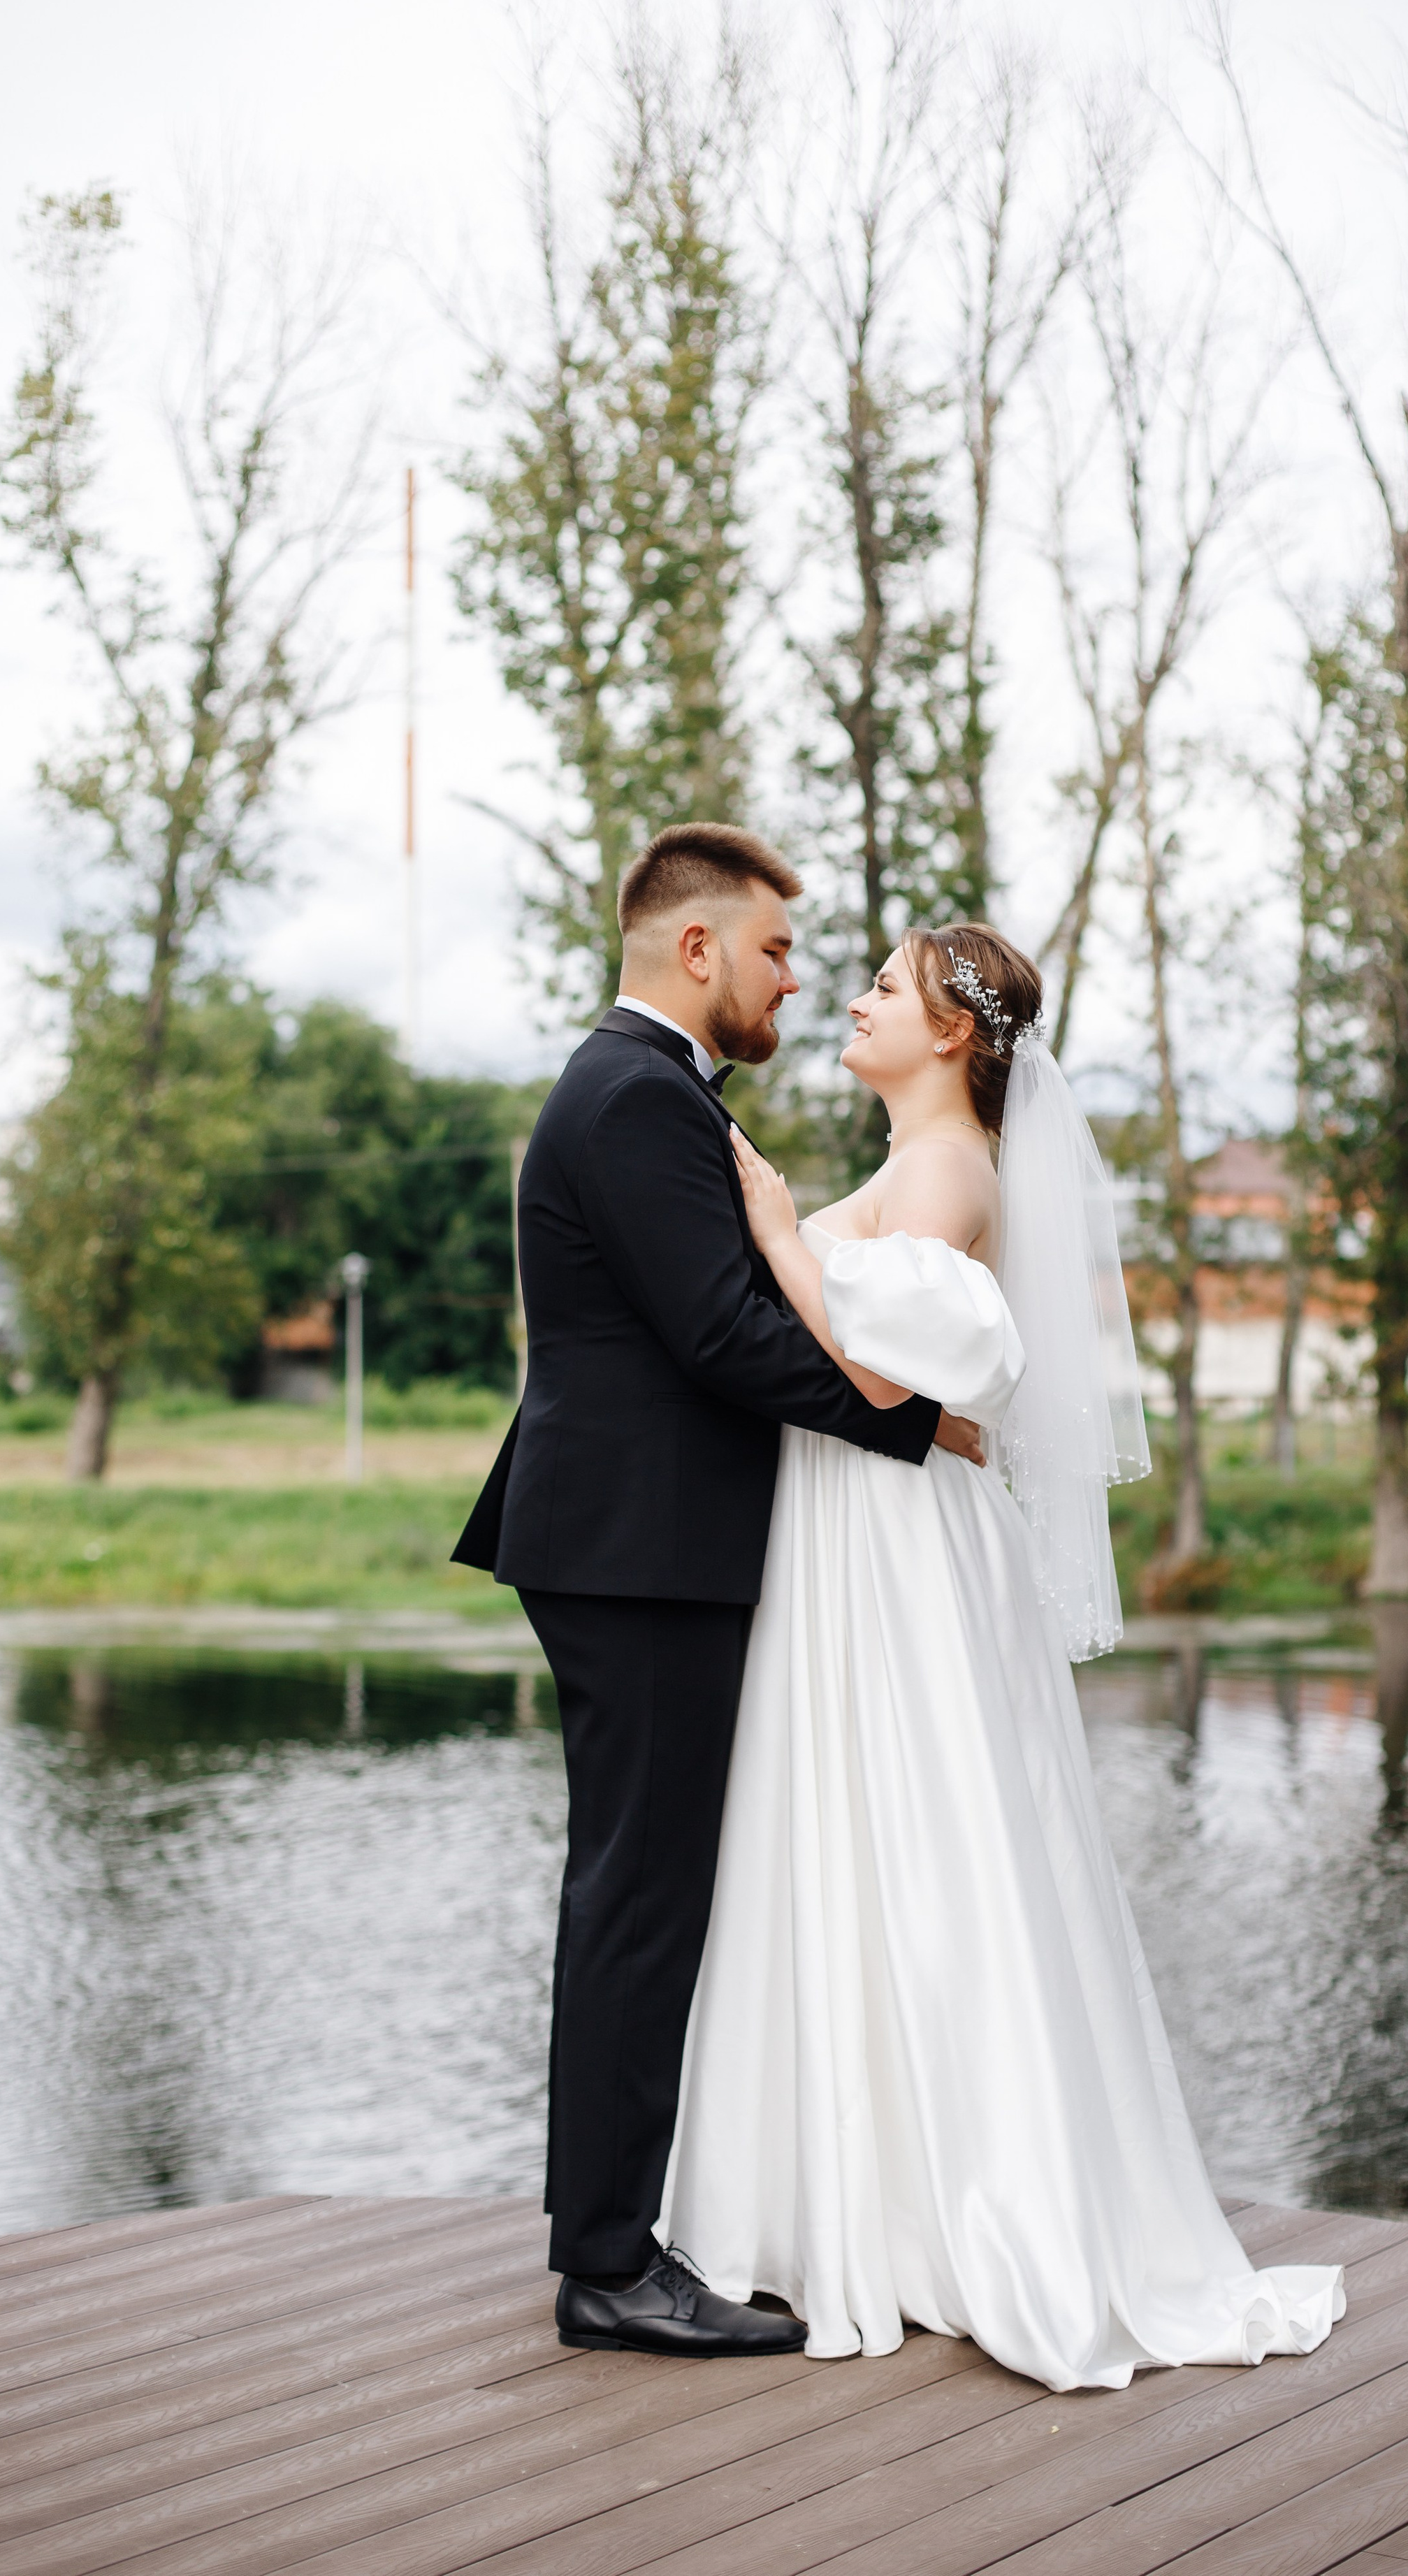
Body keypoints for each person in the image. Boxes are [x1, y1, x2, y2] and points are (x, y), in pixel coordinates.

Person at [659, 923, 1346, 2392]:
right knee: (866, 1844)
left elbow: (878, 1378)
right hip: (862, 1527)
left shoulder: (949, 1170)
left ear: (954, 1033)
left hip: (898, 1540)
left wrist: (778, 1237)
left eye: (885, 989)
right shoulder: (925, 1163)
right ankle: (867, 2194)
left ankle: (952, 2207)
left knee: (926, 1847)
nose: (853, 1001)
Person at [453, 823, 983, 2360]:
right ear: (697, 950)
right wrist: (914, 1427)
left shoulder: (649, 1090)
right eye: (774, 951)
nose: (794, 981)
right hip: (636, 1550)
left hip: (640, 1544)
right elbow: (721, 1339)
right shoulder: (634, 1095)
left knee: (644, 1889)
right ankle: (608, 2267)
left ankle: (620, 2240)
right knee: (638, 1896)